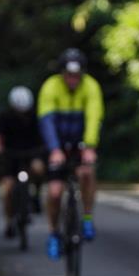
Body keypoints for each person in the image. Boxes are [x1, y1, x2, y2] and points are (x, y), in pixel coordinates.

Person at [37, 48, 104, 260]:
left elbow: (94, 117)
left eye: (77, 75)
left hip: (80, 143)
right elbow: (46, 122)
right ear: (62, 73)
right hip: (57, 144)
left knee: (86, 173)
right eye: (69, 75)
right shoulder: (51, 87)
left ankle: (86, 218)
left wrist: (90, 146)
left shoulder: (91, 86)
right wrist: (54, 149)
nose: (73, 79)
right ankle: (54, 233)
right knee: (55, 192)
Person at [0, 86, 45, 238]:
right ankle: (9, 221)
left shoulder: (35, 116)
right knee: (7, 189)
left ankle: (36, 195)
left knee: (39, 169)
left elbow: (43, 134)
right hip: (10, 156)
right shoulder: (5, 116)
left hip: (31, 153)